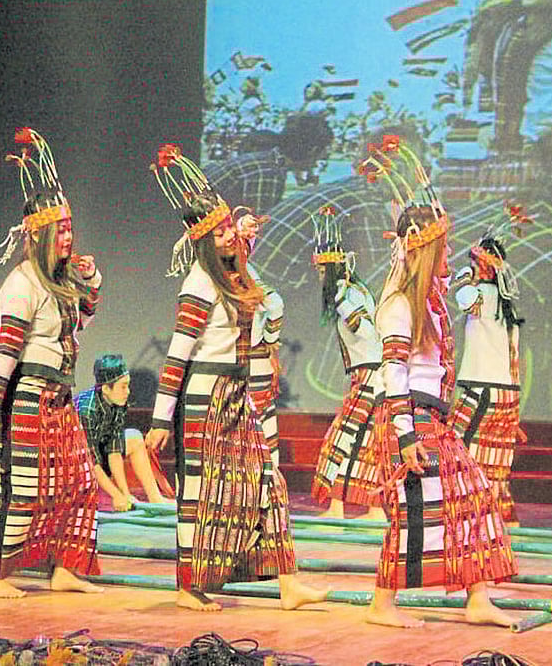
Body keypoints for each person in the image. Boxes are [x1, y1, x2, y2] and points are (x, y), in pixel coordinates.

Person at [145, 144, 327, 612]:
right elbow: (176, 358)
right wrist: (162, 421)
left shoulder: (232, 277)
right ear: (205, 238)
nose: (229, 236)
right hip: (206, 397)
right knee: (202, 491)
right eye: (222, 231)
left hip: (237, 395)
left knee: (268, 481)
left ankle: (288, 583)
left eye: (230, 228)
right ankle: (188, 585)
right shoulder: (200, 284)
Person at [360, 137, 517, 628]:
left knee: (473, 495)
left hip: (434, 418)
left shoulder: (427, 299)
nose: (451, 254)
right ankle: (382, 605)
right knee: (413, 512)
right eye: (444, 247)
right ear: (426, 252)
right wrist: (406, 437)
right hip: (412, 418)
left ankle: (476, 597)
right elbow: (394, 374)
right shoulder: (401, 305)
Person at [0, 127, 103, 599]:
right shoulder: (20, 284)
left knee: (82, 485)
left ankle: (65, 569)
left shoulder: (58, 282)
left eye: (70, 228)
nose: (68, 236)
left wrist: (91, 281)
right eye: (60, 230)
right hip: (31, 398)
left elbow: (79, 324)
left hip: (61, 401)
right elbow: (5, 357)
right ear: (40, 234)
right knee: (24, 491)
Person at [308, 205, 384, 521]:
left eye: (322, 272)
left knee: (343, 439)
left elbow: (363, 328)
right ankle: (373, 507)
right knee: (367, 442)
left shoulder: (344, 293)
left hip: (369, 376)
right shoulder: (358, 290)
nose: (320, 277)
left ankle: (337, 506)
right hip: (374, 375)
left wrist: (342, 303)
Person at [448, 229, 527, 525]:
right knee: (495, 461)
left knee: (457, 449)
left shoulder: (483, 295)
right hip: (506, 392)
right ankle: (503, 518)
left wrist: (466, 276)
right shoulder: (506, 304)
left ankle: (472, 519)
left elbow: (463, 297)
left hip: (482, 389)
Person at [75, 353, 173, 512]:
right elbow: (91, 461)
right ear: (106, 388)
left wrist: (125, 493)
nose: (127, 391)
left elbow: (114, 450)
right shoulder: (86, 410)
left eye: (128, 385)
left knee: (134, 437)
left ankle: (155, 498)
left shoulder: (116, 402)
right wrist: (116, 495)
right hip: (77, 463)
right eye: (123, 386)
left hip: (100, 455)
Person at [205, 111, 334, 215]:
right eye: (322, 154)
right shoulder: (270, 173)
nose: (319, 160)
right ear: (313, 150)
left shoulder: (267, 161)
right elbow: (257, 232)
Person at [235, 209, 284, 465]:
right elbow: (274, 306)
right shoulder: (241, 269)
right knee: (260, 424)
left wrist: (269, 341)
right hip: (253, 358)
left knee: (248, 425)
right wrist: (270, 340)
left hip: (246, 359)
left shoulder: (240, 270)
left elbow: (275, 304)